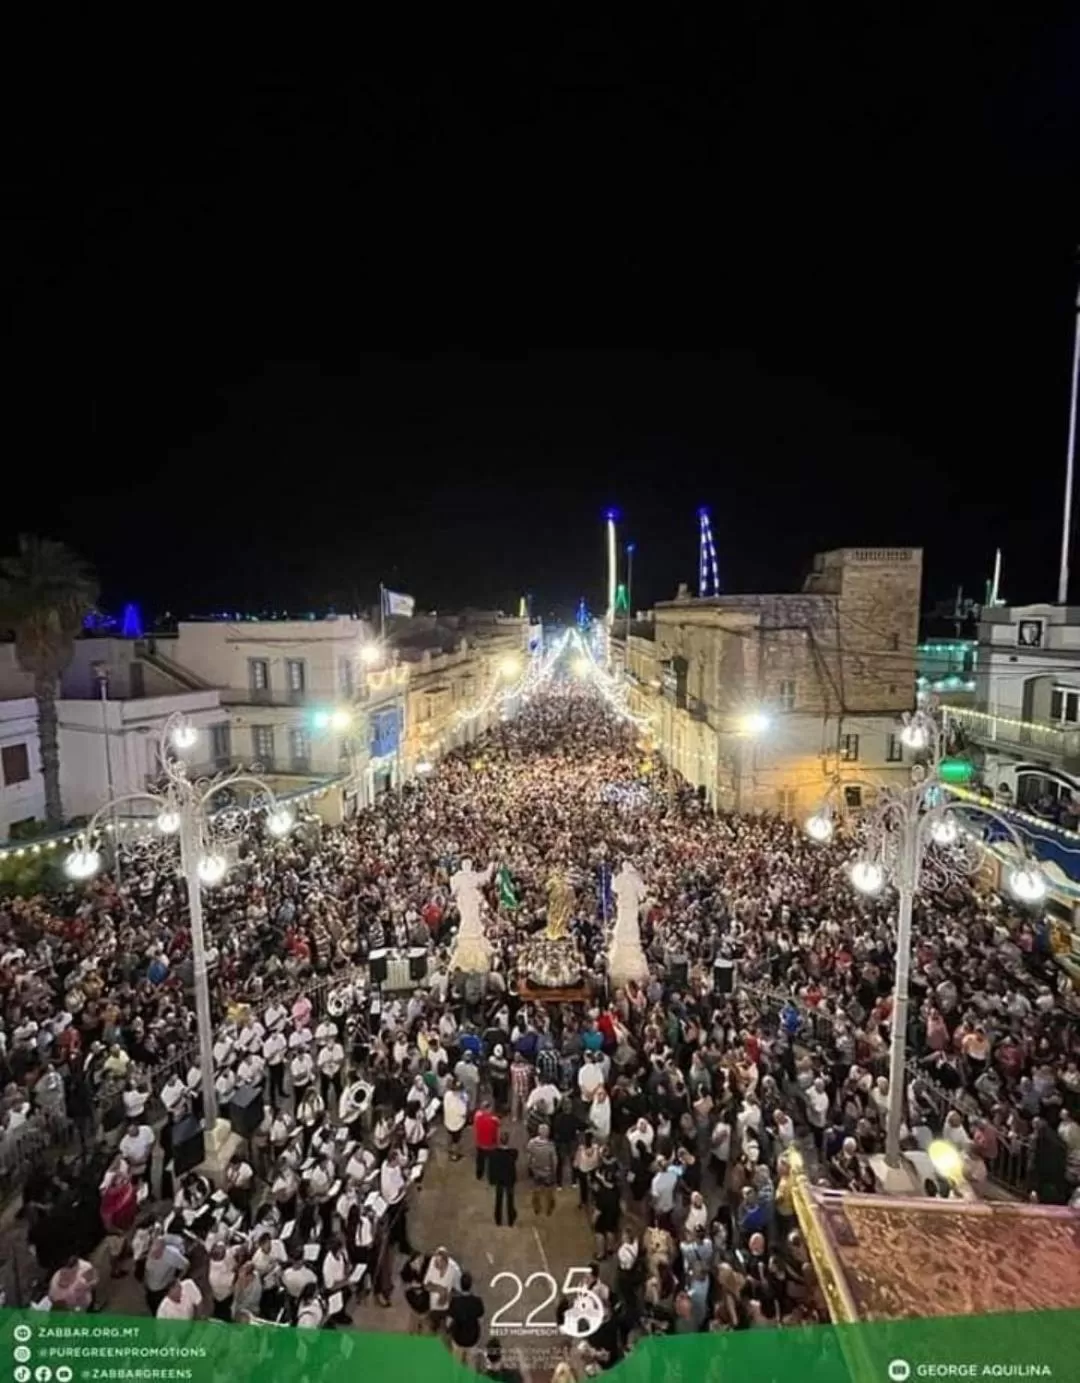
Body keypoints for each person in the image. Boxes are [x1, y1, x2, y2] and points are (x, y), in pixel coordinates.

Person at [447, 1270, 486, 1365]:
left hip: (458, 1338)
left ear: (460, 1285)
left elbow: (448, 1322)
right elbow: (481, 1320)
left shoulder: (455, 1302)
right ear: (471, 1285)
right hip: (472, 1339)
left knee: (456, 1364)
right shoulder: (477, 1301)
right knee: (471, 1363)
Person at [488, 1128, 519, 1227]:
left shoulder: (494, 1153)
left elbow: (491, 1167)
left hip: (499, 1178)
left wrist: (491, 1179)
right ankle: (510, 1220)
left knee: (498, 1199)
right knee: (510, 1199)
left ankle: (498, 1219)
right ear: (508, 1140)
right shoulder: (513, 1152)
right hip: (509, 1178)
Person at [526, 1122, 558, 1217]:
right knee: (549, 1191)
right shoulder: (550, 1145)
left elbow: (529, 1156)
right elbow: (554, 1160)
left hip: (536, 1170)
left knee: (536, 1189)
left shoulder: (532, 1142)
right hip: (547, 1171)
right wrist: (554, 1171)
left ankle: (537, 1208)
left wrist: (530, 1167)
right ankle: (549, 1209)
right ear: (547, 1133)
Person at [474, 1098, 500, 1183]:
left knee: (480, 1162)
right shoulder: (494, 1120)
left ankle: (479, 1175)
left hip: (480, 1144)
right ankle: (491, 1178)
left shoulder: (478, 1118)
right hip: (491, 1146)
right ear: (489, 1108)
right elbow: (497, 1131)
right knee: (492, 1163)